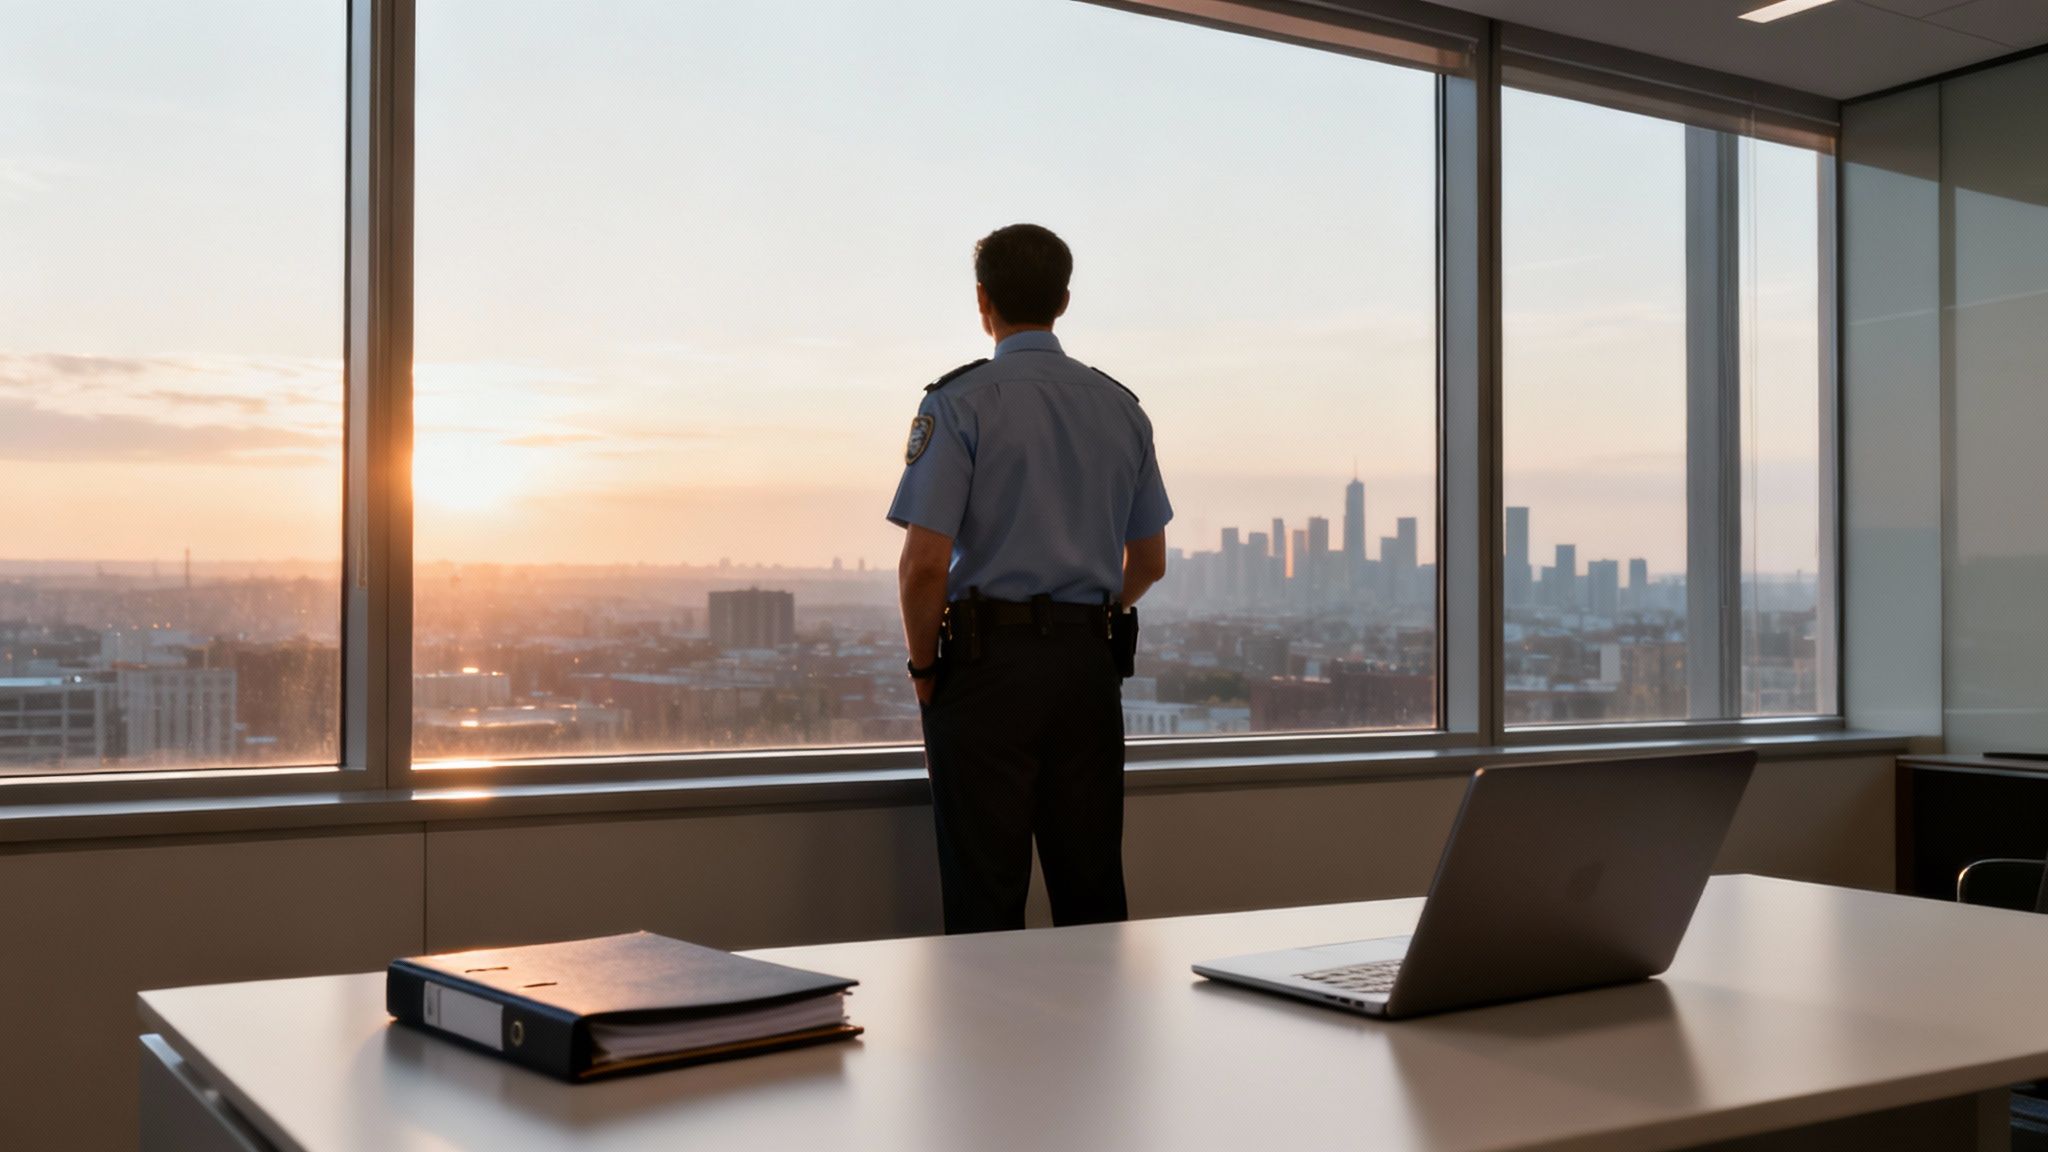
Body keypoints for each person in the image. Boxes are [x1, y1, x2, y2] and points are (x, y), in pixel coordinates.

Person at [887, 223, 1172, 935]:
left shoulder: (957, 403)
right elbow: (1150, 562)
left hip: (986, 669)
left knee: (985, 898)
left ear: (982, 302)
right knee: (1093, 896)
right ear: (1064, 301)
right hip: (1087, 669)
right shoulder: (1121, 408)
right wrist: (1090, 615)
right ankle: (1101, 1047)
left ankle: (992, 1050)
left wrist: (926, 668)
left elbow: (924, 566)